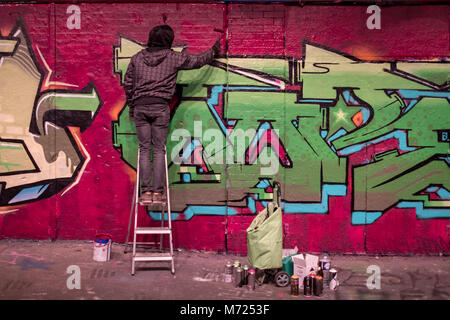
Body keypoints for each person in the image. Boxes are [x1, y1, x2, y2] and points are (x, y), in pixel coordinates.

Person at [124, 25, 221, 204]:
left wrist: (132, 106)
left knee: (145, 149)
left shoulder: (137, 59)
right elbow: (197, 61)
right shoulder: (172, 58)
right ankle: (158, 192)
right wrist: (214, 50)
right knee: (159, 149)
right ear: (168, 40)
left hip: (140, 106)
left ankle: (145, 192)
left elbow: (128, 83)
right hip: (160, 107)